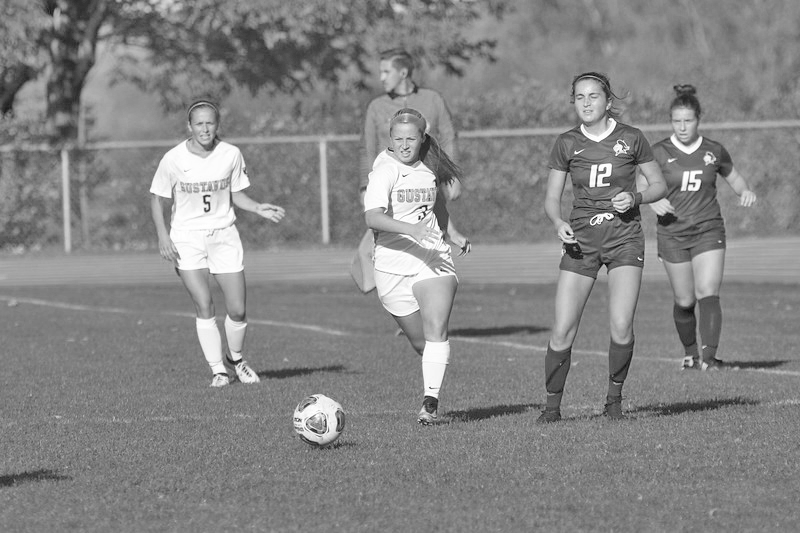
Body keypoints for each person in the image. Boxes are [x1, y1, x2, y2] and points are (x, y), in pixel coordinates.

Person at [537, 72, 667, 423]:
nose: (586, 103)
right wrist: (557, 222)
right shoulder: (566, 143)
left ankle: (614, 402)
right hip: (581, 243)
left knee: (621, 324)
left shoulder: (632, 138)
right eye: (579, 97)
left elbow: (659, 185)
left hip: (624, 239)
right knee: (563, 327)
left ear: (608, 102)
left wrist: (636, 196)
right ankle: (551, 409)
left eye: (593, 96)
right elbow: (552, 198)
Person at [150, 100, 286, 387]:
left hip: (224, 236)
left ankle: (235, 359)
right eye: (198, 123)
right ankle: (218, 371)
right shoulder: (173, 158)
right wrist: (163, 236)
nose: (204, 128)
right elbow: (157, 198)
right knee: (204, 303)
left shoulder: (231, 154)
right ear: (189, 126)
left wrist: (258, 207)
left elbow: (236, 194)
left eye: (209, 123)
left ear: (217, 125)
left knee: (237, 309)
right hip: (187, 238)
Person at [363, 108, 469, 425]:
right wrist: (411, 230)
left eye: (411, 138)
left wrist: (452, 233)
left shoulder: (430, 165)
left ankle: (429, 406)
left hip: (432, 256)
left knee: (437, 331)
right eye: (399, 139)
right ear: (390, 140)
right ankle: (432, 373)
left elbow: (436, 205)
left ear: (422, 138)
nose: (405, 145)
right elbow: (372, 218)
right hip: (392, 264)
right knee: (421, 343)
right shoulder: (383, 171)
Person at [645, 84, 756, 371]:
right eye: (677, 121)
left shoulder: (714, 150)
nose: (682, 127)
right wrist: (651, 202)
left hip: (709, 229)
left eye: (688, 120)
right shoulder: (658, 152)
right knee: (685, 299)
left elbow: (735, 178)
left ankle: (710, 359)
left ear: (698, 119)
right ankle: (691, 353)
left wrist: (745, 191)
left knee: (708, 291)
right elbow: (641, 185)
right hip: (672, 233)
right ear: (671, 121)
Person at [352, 48, 462, 293]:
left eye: (386, 71)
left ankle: (426, 304)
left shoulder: (432, 99)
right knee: (383, 250)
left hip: (427, 187)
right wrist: (364, 186)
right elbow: (366, 148)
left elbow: (448, 135)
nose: (381, 77)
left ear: (403, 72)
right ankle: (404, 305)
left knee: (432, 242)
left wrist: (451, 176)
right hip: (391, 193)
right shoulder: (376, 106)